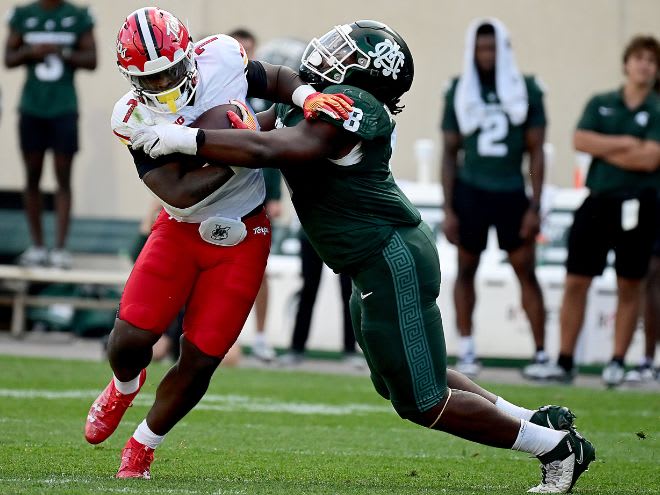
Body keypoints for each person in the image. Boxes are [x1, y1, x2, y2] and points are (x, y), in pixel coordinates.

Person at [132, 20, 596, 493]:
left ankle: (555, 449)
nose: (330, 53)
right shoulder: (317, 99)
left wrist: (183, 140)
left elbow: (271, 146)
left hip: (390, 256)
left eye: (347, 52)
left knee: (423, 400)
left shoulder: (359, 107)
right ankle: (535, 420)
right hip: (372, 261)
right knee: (403, 378)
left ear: (371, 74)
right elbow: (255, 131)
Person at [83, 7, 352, 480]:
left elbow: (276, 78)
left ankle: (143, 446)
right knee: (129, 339)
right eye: (152, 77)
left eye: (171, 70)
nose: (165, 84)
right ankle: (125, 384)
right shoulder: (131, 116)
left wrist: (305, 97)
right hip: (181, 226)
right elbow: (179, 190)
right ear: (130, 78)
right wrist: (241, 143)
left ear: (189, 55)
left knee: (204, 354)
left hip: (245, 229)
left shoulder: (221, 57)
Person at [524, 35, 660, 387]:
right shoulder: (602, 102)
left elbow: (651, 158)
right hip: (598, 199)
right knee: (576, 280)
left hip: (639, 204)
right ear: (627, 63)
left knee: (630, 284)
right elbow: (581, 140)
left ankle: (617, 361)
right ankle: (565, 360)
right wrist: (628, 144)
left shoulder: (658, 107)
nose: (644, 65)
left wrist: (608, 148)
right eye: (639, 58)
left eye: (651, 60)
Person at [441, 19, 548, 377]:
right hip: (471, 189)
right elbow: (448, 151)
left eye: (492, 48)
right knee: (466, 270)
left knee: (525, 270)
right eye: (480, 48)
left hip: (511, 191)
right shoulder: (460, 88)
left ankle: (541, 354)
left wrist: (535, 204)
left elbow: (537, 151)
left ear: (503, 50)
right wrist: (448, 206)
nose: (486, 55)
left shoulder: (526, 88)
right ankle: (468, 350)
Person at [4, 0, 97, 268]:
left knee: (63, 178)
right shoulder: (23, 15)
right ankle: (37, 246)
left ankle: (59, 248)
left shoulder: (78, 15)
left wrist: (61, 52)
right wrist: (32, 52)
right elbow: (9, 59)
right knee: (32, 176)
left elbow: (92, 59)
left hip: (64, 107)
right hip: (32, 106)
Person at [228, 28, 282, 362]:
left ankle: (261, 336)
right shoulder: (212, 90)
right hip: (219, 191)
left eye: (249, 50)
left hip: (256, 191)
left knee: (259, 268)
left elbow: (273, 147)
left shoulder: (261, 94)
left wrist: (275, 196)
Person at [278, 228, 361, 367]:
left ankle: (350, 350)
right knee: (308, 290)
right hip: (312, 231)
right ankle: (296, 348)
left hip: (343, 231)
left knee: (348, 292)